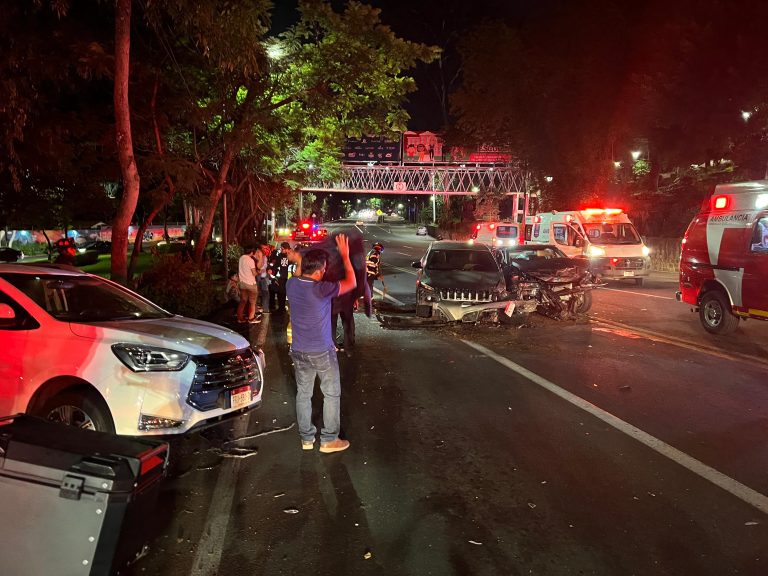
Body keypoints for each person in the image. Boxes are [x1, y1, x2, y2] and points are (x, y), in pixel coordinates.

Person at [286, 234, 356, 454]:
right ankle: (328, 440)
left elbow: (299, 273)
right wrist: (345, 256)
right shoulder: (322, 289)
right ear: (319, 270)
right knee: (331, 394)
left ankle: (307, 439)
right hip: (321, 352)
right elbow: (351, 282)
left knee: (303, 394)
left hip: (298, 351)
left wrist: (299, 259)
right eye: (324, 268)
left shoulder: (291, 285)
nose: (325, 271)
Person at [236, 246, 261, 324]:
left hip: (242, 283)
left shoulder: (241, 258)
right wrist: (258, 272)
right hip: (250, 284)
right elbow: (254, 273)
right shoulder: (250, 260)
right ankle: (251, 318)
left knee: (243, 301)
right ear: (251, 252)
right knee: (252, 302)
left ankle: (240, 318)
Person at [268, 242, 292, 313]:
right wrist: (272, 269)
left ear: (287, 249)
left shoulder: (285, 257)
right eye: (281, 248)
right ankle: (281, 308)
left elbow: (281, 266)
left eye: (283, 249)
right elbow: (276, 265)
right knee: (280, 293)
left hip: (284, 278)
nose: (281, 250)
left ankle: (281, 309)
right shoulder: (281, 256)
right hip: (281, 278)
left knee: (281, 293)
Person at [257, 244, 272, 314]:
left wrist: (268, 269)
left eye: (267, 248)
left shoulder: (265, 256)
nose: (266, 249)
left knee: (265, 293)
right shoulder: (257, 255)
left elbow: (265, 266)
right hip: (258, 276)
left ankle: (265, 309)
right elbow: (256, 267)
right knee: (257, 293)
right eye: (264, 248)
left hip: (264, 276)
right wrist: (258, 271)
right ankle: (255, 310)